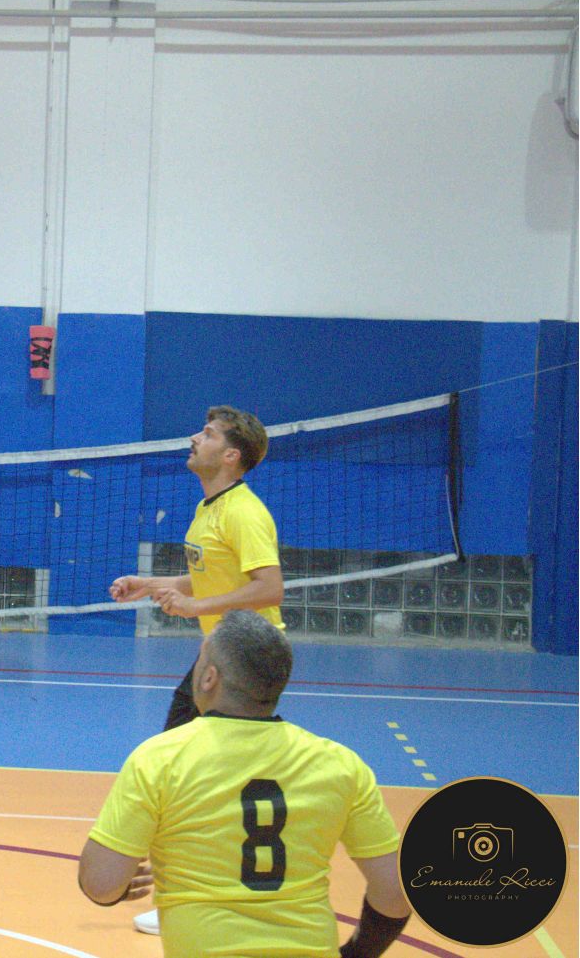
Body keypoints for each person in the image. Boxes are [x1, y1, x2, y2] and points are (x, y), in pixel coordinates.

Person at [78, 611, 412, 958]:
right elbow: (396, 892)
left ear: (209, 677)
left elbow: (100, 884)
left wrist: (115, 887)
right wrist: (355, 954)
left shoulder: (159, 760)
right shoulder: (340, 765)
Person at [109, 404, 283, 933]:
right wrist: (151, 584)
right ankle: (201, 894)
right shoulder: (209, 507)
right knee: (187, 768)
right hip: (221, 654)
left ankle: (192, 900)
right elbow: (210, 577)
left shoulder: (243, 513)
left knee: (187, 771)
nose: (193, 438)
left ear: (230, 456)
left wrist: (196, 608)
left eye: (206, 434)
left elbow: (269, 587)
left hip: (247, 660)